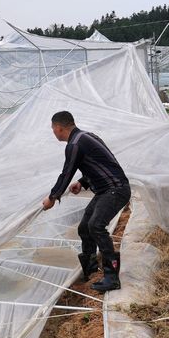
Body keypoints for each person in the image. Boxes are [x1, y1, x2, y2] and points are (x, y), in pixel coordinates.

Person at [42, 112, 131, 292]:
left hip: (115, 190)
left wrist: (53, 197)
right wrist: (82, 182)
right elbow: (100, 162)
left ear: (59, 127)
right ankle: (91, 269)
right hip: (107, 189)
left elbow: (66, 172)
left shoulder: (74, 144)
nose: (53, 132)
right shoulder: (87, 137)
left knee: (96, 226)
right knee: (85, 227)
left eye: (53, 129)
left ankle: (112, 276)